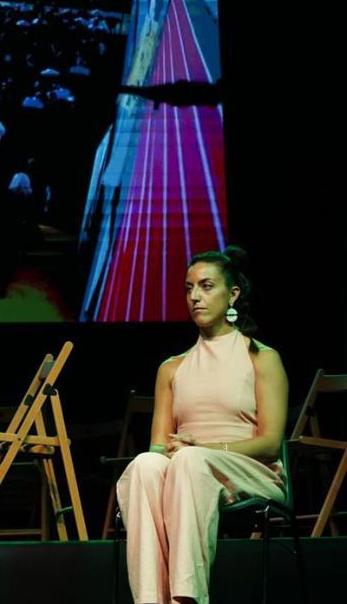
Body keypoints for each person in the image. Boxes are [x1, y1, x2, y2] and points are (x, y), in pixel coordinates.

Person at [116, 247, 288, 604]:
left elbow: (271, 443)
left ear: (232, 294)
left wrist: (204, 450)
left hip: (250, 472)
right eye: (189, 287)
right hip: (188, 472)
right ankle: (150, 600)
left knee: (189, 462)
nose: (195, 296)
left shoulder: (262, 358)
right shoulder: (172, 368)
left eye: (207, 286)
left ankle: (188, 599)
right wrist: (178, 452)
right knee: (145, 466)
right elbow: (159, 448)